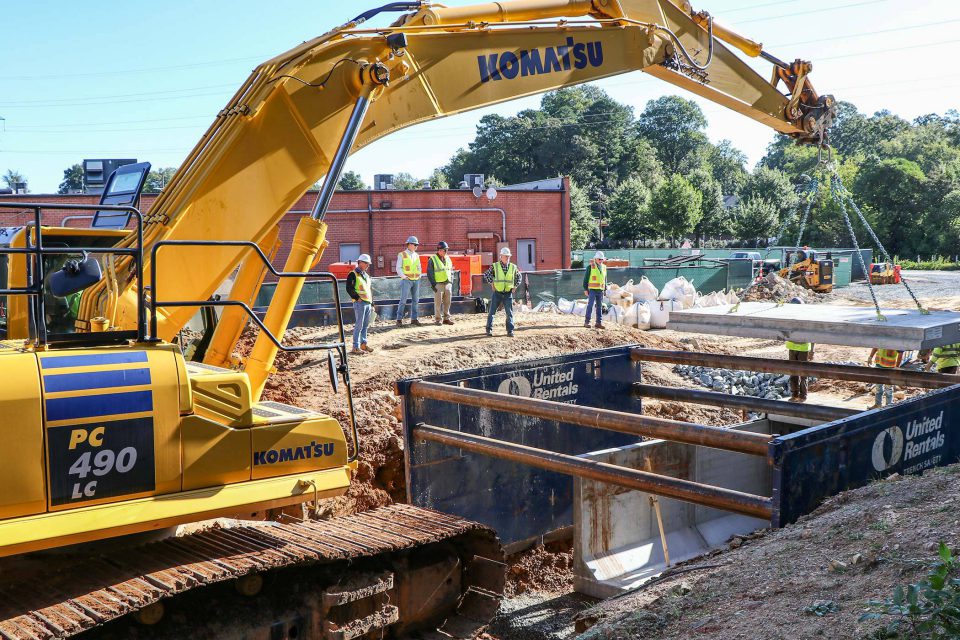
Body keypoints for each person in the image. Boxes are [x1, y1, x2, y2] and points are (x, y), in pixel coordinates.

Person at [483, 246, 521, 337]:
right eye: (506, 256)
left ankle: (510, 331)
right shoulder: (495, 266)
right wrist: (492, 283)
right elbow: (486, 274)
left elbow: (519, 277)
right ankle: (489, 330)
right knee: (492, 312)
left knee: (509, 313)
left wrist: (515, 286)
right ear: (501, 256)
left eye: (508, 256)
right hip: (497, 293)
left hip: (508, 294)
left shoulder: (513, 267)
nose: (507, 258)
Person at [785, 297, 813, 402]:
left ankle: (803, 395)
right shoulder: (790, 318)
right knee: (793, 372)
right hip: (792, 347)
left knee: (803, 373)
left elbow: (813, 334)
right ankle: (795, 394)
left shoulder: (806, 318)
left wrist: (812, 350)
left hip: (803, 348)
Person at [346, 254, 374, 355]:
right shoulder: (353, 274)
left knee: (365, 325)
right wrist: (357, 298)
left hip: (367, 303)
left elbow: (369, 290)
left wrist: (372, 304)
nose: (367, 265)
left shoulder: (366, 276)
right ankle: (355, 346)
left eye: (368, 263)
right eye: (366, 263)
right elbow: (349, 288)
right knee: (359, 325)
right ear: (360, 262)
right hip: (360, 303)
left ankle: (363, 344)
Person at [395, 235, 422, 327]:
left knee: (416, 300)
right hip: (406, 280)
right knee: (403, 300)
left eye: (417, 245)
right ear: (409, 244)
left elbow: (419, 267)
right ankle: (399, 319)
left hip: (416, 280)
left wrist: (419, 276)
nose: (416, 246)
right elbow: (398, 268)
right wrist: (404, 277)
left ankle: (414, 319)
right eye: (415, 244)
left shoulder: (416, 255)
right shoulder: (402, 254)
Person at [428, 241, 454, 326]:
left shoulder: (448, 258)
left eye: (446, 250)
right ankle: (438, 319)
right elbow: (430, 273)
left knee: (448, 302)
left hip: (447, 284)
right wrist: (434, 284)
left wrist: (451, 282)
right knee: (438, 302)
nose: (446, 252)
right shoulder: (432, 259)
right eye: (445, 250)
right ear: (439, 250)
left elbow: (451, 270)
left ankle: (446, 318)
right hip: (438, 284)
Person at [582, 251, 607, 329]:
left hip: (600, 290)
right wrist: (585, 289)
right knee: (590, 305)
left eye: (602, 259)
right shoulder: (590, 267)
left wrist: (605, 289)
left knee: (599, 306)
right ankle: (587, 322)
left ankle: (598, 323)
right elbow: (585, 279)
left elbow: (604, 279)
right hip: (592, 290)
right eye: (599, 259)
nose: (601, 261)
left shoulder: (604, 267)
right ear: (595, 259)